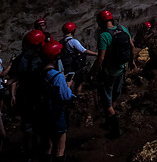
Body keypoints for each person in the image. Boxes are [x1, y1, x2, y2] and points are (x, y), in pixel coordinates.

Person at [38, 40, 76, 162]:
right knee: (59, 148)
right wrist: (68, 86)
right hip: (56, 114)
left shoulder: (39, 74)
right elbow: (65, 96)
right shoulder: (58, 77)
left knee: (46, 147)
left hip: (42, 115)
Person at [90, 9, 135, 137]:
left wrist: (93, 73)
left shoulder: (104, 36)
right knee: (114, 95)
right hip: (121, 69)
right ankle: (109, 121)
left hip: (109, 72)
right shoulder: (122, 29)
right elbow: (132, 46)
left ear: (101, 22)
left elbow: (101, 58)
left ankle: (115, 130)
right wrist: (132, 61)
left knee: (106, 101)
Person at [8, 29, 46, 162]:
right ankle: (39, 154)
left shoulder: (20, 59)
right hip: (38, 96)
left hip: (25, 96)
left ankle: (29, 156)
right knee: (40, 127)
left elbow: (13, 76)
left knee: (28, 128)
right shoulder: (43, 58)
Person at [58, 22, 97, 95]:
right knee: (79, 81)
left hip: (66, 65)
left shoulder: (61, 41)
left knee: (68, 82)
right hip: (75, 65)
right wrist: (96, 54)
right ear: (73, 31)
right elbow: (84, 51)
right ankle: (76, 96)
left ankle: (67, 96)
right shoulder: (73, 41)